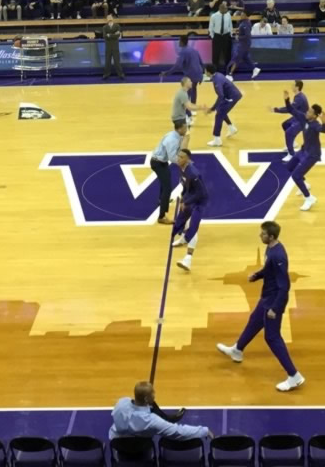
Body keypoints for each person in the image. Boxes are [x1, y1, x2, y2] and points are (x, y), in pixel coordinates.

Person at [217, 221, 305, 392]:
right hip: (266, 297)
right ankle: (237, 350)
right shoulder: (271, 248)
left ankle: (294, 375)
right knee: (254, 321)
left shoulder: (278, 256)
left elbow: (284, 285)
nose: (260, 235)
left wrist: (275, 308)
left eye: (263, 234)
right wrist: (257, 275)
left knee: (272, 337)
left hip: (273, 301)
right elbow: (268, 270)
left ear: (271, 237)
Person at [109, 382, 210, 441]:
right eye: (153, 393)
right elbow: (178, 432)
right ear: (146, 399)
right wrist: (204, 431)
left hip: (117, 443)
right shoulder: (151, 420)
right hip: (138, 449)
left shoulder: (121, 403)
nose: (155, 395)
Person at [170, 148, 206, 271]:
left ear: (188, 159)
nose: (178, 159)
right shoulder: (183, 169)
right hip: (190, 200)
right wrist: (183, 199)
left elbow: (201, 193)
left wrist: (187, 201)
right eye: (178, 156)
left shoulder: (193, 173)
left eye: (182, 157)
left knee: (193, 227)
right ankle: (182, 239)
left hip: (199, 203)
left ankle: (188, 259)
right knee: (182, 221)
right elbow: (186, 186)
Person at [287, 104, 325, 211]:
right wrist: (286, 100)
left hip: (312, 155)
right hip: (304, 150)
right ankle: (304, 184)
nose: (307, 113)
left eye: (310, 112)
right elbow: (291, 109)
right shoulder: (304, 119)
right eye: (308, 110)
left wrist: (324, 121)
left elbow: (324, 130)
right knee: (289, 167)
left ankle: (309, 198)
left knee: (296, 176)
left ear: (314, 116)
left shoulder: (315, 125)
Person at [152, 119, 187, 225]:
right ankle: (161, 217)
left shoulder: (175, 135)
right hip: (158, 163)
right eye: (185, 127)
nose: (186, 129)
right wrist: (183, 164)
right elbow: (172, 157)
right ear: (180, 128)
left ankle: (160, 200)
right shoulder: (172, 139)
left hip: (161, 161)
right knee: (167, 188)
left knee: (165, 183)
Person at [201, 63, 241, 146]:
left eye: (205, 70)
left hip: (232, 97)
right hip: (231, 95)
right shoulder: (217, 75)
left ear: (208, 72)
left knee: (219, 115)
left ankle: (217, 139)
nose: (204, 72)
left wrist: (211, 109)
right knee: (220, 110)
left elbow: (221, 95)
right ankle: (231, 128)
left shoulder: (216, 80)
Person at [163, 34, 205, 110]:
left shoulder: (183, 52)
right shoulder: (194, 50)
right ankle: (193, 108)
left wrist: (167, 73)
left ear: (182, 42)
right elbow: (201, 63)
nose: (178, 42)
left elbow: (177, 66)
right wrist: (202, 75)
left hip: (190, 74)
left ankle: (188, 111)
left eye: (179, 40)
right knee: (194, 89)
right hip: (198, 73)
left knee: (186, 90)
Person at [272, 80, 309, 159]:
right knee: (285, 124)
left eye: (293, 85)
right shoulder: (298, 96)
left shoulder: (300, 98)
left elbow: (289, 109)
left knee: (288, 133)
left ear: (297, 87)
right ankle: (293, 143)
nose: (291, 86)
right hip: (298, 117)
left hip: (302, 121)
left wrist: (276, 110)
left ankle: (291, 154)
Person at [226, 9, 260, 80]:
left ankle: (230, 74)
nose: (241, 15)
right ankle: (255, 69)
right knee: (245, 58)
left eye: (242, 14)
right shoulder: (244, 22)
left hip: (244, 44)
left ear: (246, 16)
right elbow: (244, 30)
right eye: (241, 14)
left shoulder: (246, 24)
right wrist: (239, 30)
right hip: (244, 43)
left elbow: (247, 36)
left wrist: (239, 37)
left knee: (237, 58)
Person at [208, 1, 233, 72]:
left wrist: (230, 34)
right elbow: (211, 27)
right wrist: (213, 36)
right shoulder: (214, 16)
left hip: (226, 36)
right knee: (216, 54)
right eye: (224, 9)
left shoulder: (228, 15)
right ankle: (214, 71)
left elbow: (230, 25)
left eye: (226, 9)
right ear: (220, 9)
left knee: (227, 54)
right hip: (217, 36)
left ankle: (228, 70)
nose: (226, 10)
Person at [102, 13, 125, 81]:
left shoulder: (117, 26)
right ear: (106, 19)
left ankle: (120, 74)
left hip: (115, 46)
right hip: (108, 46)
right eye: (108, 17)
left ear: (112, 18)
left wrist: (109, 35)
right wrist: (113, 35)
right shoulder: (104, 27)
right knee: (107, 61)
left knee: (117, 61)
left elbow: (118, 35)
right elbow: (104, 36)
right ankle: (106, 74)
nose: (109, 18)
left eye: (110, 17)